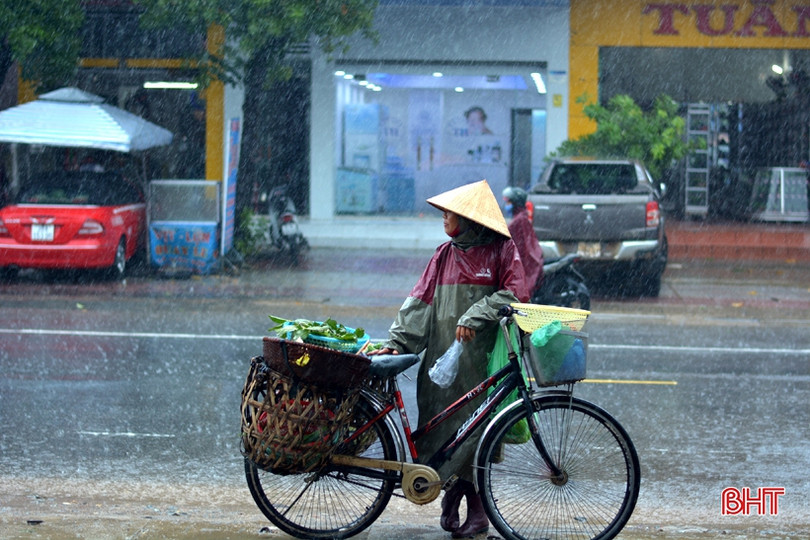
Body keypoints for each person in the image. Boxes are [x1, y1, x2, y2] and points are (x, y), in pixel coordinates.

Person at [369, 180, 528, 538]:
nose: (444, 217)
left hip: (481, 363)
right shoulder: (443, 255)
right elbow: (420, 302)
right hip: (441, 362)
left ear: (469, 218)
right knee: (443, 432)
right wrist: (397, 342)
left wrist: (476, 314)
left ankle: (477, 511)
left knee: (476, 435)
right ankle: (451, 493)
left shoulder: (501, 251)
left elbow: (516, 293)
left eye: (450, 212)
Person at [503, 186, 544, 293]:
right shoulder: (521, 217)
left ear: (515, 203)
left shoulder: (519, 220)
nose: (507, 205)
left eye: (509, 202)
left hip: (525, 262)